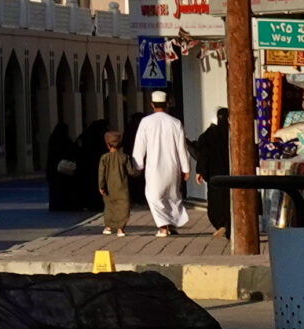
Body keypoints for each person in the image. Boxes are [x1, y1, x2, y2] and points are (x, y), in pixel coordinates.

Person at [132, 91, 194, 236]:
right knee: (173, 196)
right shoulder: (175, 122)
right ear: (167, 104)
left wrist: (137, 165)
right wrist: (186, 168)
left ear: (152, 104)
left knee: (154, 196)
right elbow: (182, 147)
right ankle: (171, 224)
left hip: (154, 168)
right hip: (173, 167)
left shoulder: (146, 122)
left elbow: (140, 145)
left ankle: (163, 227)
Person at [193, 108, 233, 233]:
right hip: (231, 174)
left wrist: (200, 171)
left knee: (216, 200)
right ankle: (229, 223)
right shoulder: (233, 134)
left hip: (214, 175)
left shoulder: (209, 135)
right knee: (229, 199)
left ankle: (220, 224)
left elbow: (204, 154)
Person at [96, 126, 136, 235]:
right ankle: (120, 229)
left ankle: (108, 227)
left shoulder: (104, 158)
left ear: (107, 144)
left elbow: (101, 173)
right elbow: (131, 172)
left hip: (109, 188)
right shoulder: (124, 157)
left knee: (109, 207)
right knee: (123, 208)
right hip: (122, 188)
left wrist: (101, 186)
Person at [45, 122, 83, 212]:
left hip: (54, 169)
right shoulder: (66, 140)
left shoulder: (53, 139)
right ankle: (65, 205)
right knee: (65, 188)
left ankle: (56, 205)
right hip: (64, 170)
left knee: (55, 189)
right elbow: (72, 151)